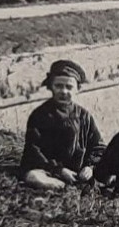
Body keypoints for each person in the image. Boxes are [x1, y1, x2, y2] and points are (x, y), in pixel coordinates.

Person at [20, 59, 105, 191]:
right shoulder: (40, 115)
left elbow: (98, 146)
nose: (64, 91)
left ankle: (75, 185)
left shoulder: (84, 116)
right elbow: (34, 150)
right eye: (58, 86)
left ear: (78, 89)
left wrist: (89, 167)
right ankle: (63, 187)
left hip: (77, 171)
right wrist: (58, 169)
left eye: (69, 87)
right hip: (48, 170)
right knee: (33, 176)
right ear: (50, 87)